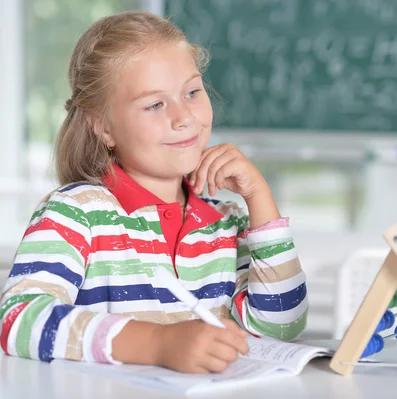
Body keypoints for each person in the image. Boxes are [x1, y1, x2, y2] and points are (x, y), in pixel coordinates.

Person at [0, 11, 307, 374]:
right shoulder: (75, 212)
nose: (184, 117)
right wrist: (158, 344)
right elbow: (17, 320)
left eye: (192, 92)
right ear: (103, 127)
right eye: (155, 104)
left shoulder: (226, 220)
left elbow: (282, 325)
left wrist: (259, 196)